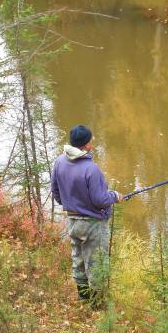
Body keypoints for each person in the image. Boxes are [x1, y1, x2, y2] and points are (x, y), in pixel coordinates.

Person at [50, 125, 122, 304]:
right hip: (92, 225)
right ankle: (97, 304)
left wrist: (72, 205)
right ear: (86, 145)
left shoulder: (59, 162)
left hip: (72, 221)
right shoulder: (91, 169)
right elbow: (99, 200)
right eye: (91, 140)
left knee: (79, 261)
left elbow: (56, 192)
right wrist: (114, 196)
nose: (92, 143)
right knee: (97, 264)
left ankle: (83, 298)